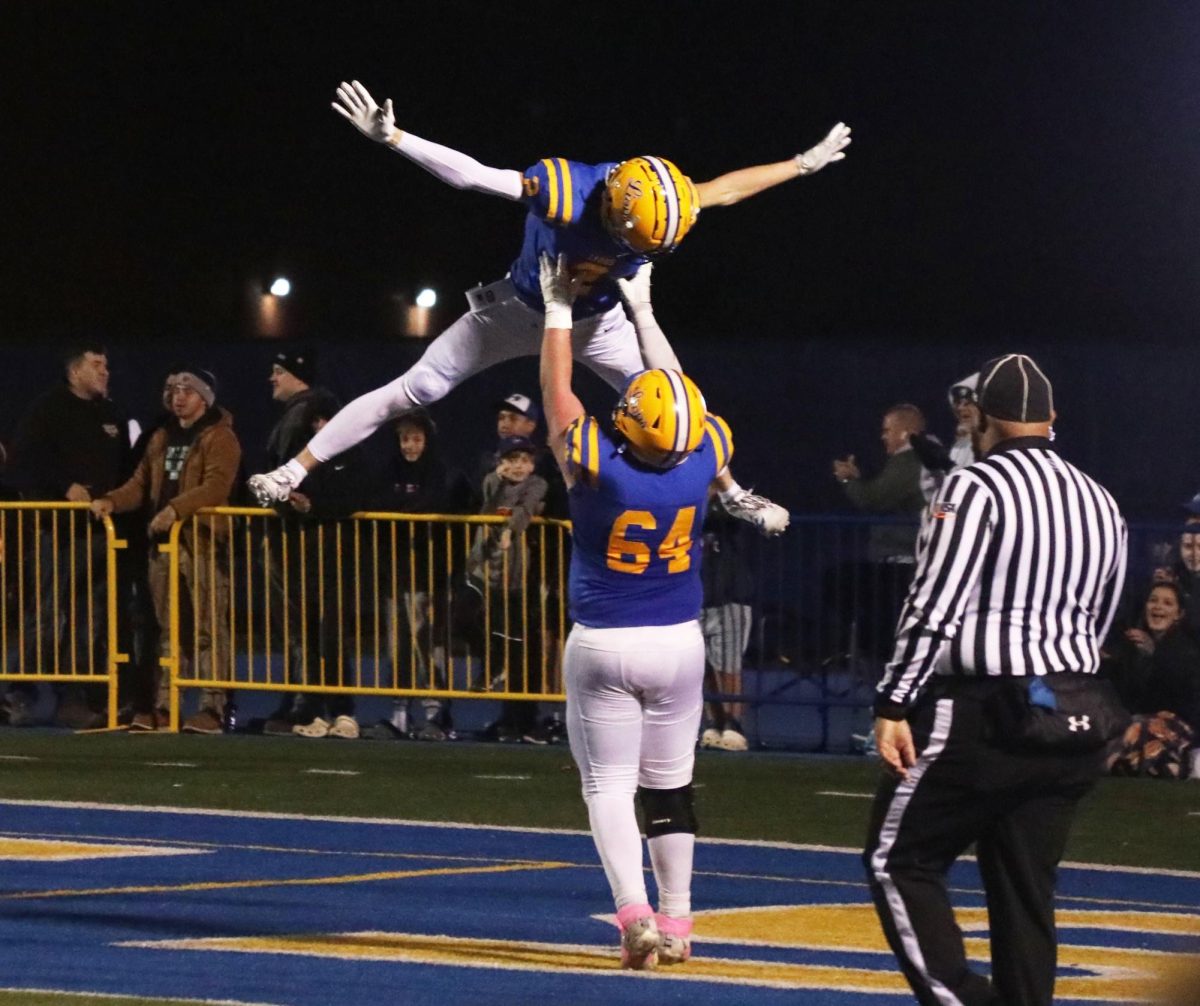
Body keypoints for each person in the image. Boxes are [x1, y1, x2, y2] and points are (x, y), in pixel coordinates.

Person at [246, 80, 842, 538]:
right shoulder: (566, 191)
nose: (633, 251)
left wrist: (802, 165)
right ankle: (293, 470)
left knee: (682, 409)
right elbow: (475, 178)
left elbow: (724, 190)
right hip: (519, 309)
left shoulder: (661, 203)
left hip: (599, 320)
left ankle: (732, 491)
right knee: (416, 389)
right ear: (614, 209)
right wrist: (396, 139)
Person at [863, 353, 1127, 1006]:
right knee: (1025, 890)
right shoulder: (1100, 498)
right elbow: (1104, 610)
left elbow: (933, 602)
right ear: (1051, 419)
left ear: (980, 417)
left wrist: (894, 701)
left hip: (988, 712)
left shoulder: (973, 487)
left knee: (898, 860)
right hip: (1074, 712)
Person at [538, 252, 732, 969]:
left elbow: (557, 386)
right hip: (680, 641)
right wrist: (644, 310)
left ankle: (634, 915)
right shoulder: (703, 454)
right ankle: (680, 924)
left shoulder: (599, 465)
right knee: (670, 786)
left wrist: (558, 308)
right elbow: (680, 394)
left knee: (608, 787)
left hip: (606, 640)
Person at [92, 367, 242, 734]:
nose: (178, 396)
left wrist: (176, 509)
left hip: (202, 544)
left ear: (204, 397)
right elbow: (140, 484)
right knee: (166, 629)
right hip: (162, 548)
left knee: (208, 629)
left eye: (187, 390)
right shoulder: (161, 437)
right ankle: (164, 703)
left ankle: (213, 707)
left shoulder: (220, 437)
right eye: (173, 389)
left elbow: (216, 486)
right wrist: (111, 501)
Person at [5, 342, 132, 729]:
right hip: (56, 530)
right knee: (47, 613)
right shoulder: (48, 409)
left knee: (89, 617)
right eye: (97, 364)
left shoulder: (111, 414)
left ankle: (76, 696)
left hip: (98, 532)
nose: (105, 371)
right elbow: (22, 462)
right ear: (74, 371)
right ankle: (18, 693)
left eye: (107, 364)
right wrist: (65, 487)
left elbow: (127, 468)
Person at [372, 409, 472, 741]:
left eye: (416, 438)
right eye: (404, 439)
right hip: (398, 574)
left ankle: (437, 713)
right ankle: (399, 713)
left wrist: (404, 508)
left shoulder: (442, 472)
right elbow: (380, 501)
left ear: (428, 440)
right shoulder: (390, 470)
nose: (409, 446)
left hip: (432, 575)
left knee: (430, 644)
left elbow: (437, 503)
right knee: (397, 644)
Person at [283, 397, 377, 741]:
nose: (321, 427)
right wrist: (294, 505)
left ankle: (343, 710)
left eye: (327, 421)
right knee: (306, 637)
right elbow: (283, 496)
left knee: (334, 636)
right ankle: (312, 710)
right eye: (316, 421)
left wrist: (314, 505)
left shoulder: (352, 456)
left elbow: (357, 497)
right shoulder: (302, 457)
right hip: (304, 560)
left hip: (341, 561)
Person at [464, 435, 548, 742]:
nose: (518, 466)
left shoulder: (537, 483)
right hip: (482, 571)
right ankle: (492, 663)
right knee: (463, 618)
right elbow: (485, 508)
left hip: (516, 578)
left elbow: (525, 509)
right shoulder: (492, 481)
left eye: (525, 460)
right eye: (512, 460)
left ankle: (519, 719)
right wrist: (496, 482)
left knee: (516, 638)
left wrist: (511, 531)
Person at [830, 404, 928, 660]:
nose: (883, 436)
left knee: (880, 635)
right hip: (904, 562)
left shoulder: (909, 460)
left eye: (887, 430)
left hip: (901, 565)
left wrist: (847, 480)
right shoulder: (917, 459)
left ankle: (885, 690)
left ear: (905, 433)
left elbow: (873, 498)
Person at [1103, 581, 1199, 778]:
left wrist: (1154, 655)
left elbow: (1175, 694)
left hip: (1180, 725)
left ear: (1178, 615)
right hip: (1138, 721)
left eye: (1167, 603)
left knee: (1139, 728)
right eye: (1153, 600)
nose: (1158, 607)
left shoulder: (1185, 649)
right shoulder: (1132, 644)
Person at [698, 489, 757, 752]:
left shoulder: (730, 497)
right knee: (703, 665)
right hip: (696, 594)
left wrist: (714, 495)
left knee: (728, 663)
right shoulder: (684, 497)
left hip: (730, 593)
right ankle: (714, 721)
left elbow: (738, 516)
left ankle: (734, 723)